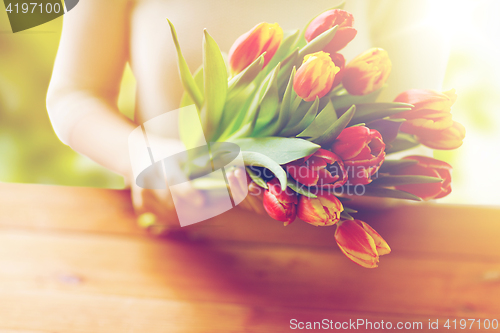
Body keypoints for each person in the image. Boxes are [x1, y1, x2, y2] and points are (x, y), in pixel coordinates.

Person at [46, 0, 449, 227]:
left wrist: (305, 180)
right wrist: (145, 158)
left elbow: (406, 145)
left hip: (341, 264)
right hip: (174, 247)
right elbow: (74, 94)